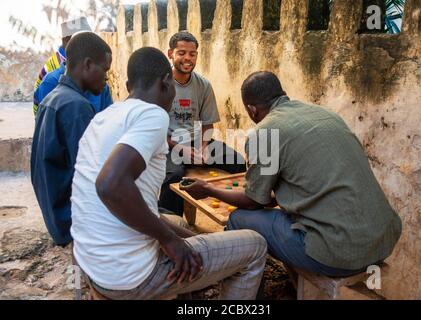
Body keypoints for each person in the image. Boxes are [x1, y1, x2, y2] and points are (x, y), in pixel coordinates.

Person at [70, 47, 267, 300]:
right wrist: (170, 242)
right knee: (256, 246)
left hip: (93, 265)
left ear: (130, 85)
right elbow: (109, 184)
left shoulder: (104, 117)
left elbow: (124, 197)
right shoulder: (153, 114)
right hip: (131, 277)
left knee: (181, 224)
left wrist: (188, 239)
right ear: (166, 82)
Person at [181, 71, 402, 277]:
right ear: (282, 94)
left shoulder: (266, 132)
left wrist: (208, 188)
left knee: (238, 218)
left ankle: (245, 291)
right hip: (382, 241)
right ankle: (290, 282)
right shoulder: (323, 113)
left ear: (251, 110)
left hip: (337, 254)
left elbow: (253, 202)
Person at [31, 32, 112, 246]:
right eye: (104, 70)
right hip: (71, 219)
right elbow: (92, 176)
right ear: (87, 64)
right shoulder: (77, 107)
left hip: (53, 212)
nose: (106, 78)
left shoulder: (53, 97)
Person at [159, 31, 246, 216]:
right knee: (173, 176)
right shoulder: (161, 84)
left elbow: (207, 124)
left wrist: (203, 147)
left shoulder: (203, 85)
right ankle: (171, 222)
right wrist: (180, 148)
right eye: (181, 53)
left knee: (238, 162)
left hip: (196, 143)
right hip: (167, 145)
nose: (187, 58)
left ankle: (236, 217)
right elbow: (155, 130)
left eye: (192, 54)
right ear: (170, 54)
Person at [33, 17, 113, 115]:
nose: (106, 77)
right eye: (83, 41)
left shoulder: (100, 85)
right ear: (67, 41)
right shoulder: (51, 80)